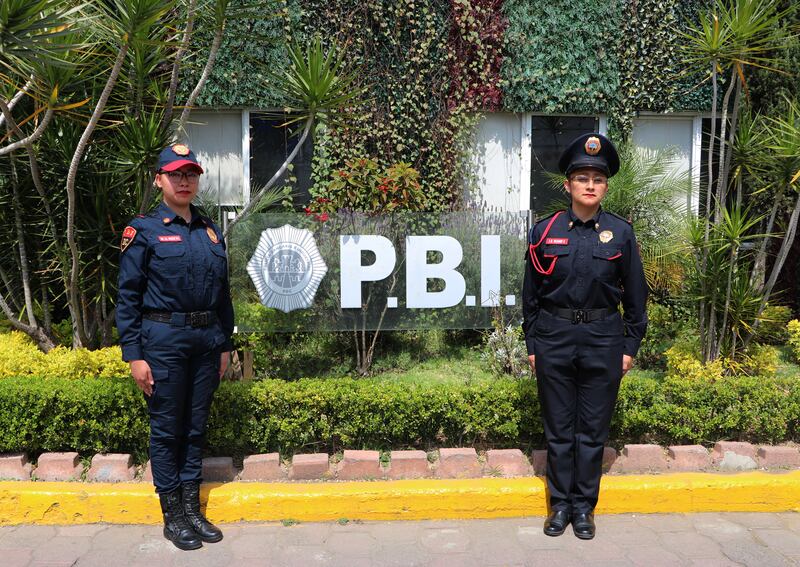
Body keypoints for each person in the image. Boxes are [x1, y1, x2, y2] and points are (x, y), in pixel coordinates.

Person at [522, 133, 647, 540]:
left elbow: (636, 297)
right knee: (559, 429)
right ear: (568, 185)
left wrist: (628, 348)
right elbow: (531, 297)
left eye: (598, 178)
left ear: (606, 186)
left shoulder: (621, 234)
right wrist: (533, 346)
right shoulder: (545, 232)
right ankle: (559, 506)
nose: (590, 184)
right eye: (582, 177)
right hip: (554, 337)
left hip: (603, 338)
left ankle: (583, 509)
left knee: (591, 430)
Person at [116, 144, 234, 550]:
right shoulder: (143, 230)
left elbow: (223, 295)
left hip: (206, 341)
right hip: (163, 342)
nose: (184, 181)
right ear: (159, 179)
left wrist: (225, 344)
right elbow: (128, 298)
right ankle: (172, 516)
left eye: (191, 174)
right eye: (175, 174)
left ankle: (192, 509)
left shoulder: (210, 230)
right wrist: (134, 355)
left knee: (195, 427)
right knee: (167, 430)